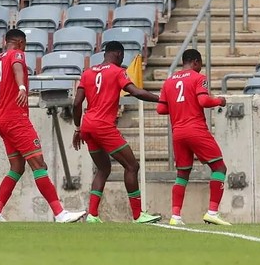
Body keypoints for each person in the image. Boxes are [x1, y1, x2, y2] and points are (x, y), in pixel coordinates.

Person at [0, 29, 87, 223]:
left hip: (1, 119)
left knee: (17, 167)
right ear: (20, 42)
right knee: (39, 164)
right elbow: (18, 67)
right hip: (16, 119)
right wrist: (21, 87)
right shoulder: (17, 54)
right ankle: (60, 214)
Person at [72, 41, 161, 224]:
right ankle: (138, 215)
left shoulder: (87, 73)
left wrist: (77, 127)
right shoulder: (117, 72)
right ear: (119, 55)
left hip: (87, 126)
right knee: (132, 166)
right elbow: (135, 92)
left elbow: (76, 103)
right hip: (103, 126)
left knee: (103, 168)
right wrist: (160, 100)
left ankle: (92, 215)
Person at [157, 49, 230, 226]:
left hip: (178, 133)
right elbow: (204, 102)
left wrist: (178, 105)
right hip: (196, 129)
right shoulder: (198, 78)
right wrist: (220, 101)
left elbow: (160, 109)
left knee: (182, 174)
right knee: (219, 168)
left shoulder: (168, 82)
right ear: (196, 62)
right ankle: (212, 212)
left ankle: (175, 216)